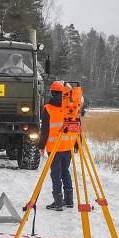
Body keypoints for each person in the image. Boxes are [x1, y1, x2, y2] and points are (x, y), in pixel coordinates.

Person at [38, 80, 74, 211]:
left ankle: (58, 202)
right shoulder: (70, 108)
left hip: (54, 148)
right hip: (68, 146)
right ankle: (69, 200)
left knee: (56, 174)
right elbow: (76, 126)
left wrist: (41, 145)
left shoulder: (48, 108)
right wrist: (76, 144)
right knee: (65, 172)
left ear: (52, 93)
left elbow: (45, 130)